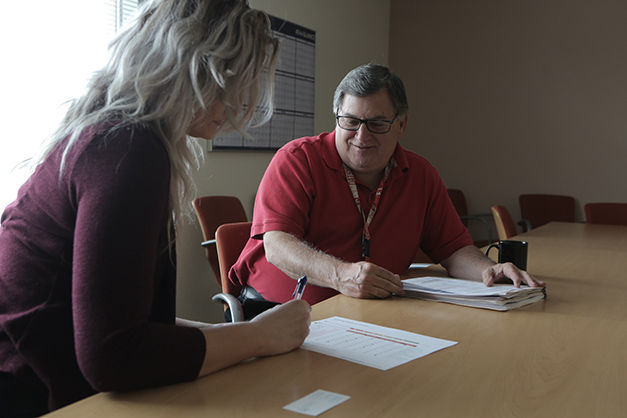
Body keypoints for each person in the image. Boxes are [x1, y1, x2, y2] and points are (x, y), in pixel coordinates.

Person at [0, 0, 311, 416]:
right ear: (195, 70)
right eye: (232, 84)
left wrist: (241, 335)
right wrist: (257, 337)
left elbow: (114, 320)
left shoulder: (110, 134)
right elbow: (113, 355)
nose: (238, 105)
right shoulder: (130, 149)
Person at [229, 63, 545, 305]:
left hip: (372, 314)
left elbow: (453, 249)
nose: (361, 137)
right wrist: (341, 275)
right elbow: (277, 245)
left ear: (401, 125)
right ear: (337, 116)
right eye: (351, 121)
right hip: (278, 311)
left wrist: (488, 271)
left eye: (378, 124)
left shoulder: (420, 175)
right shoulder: (297, 159)